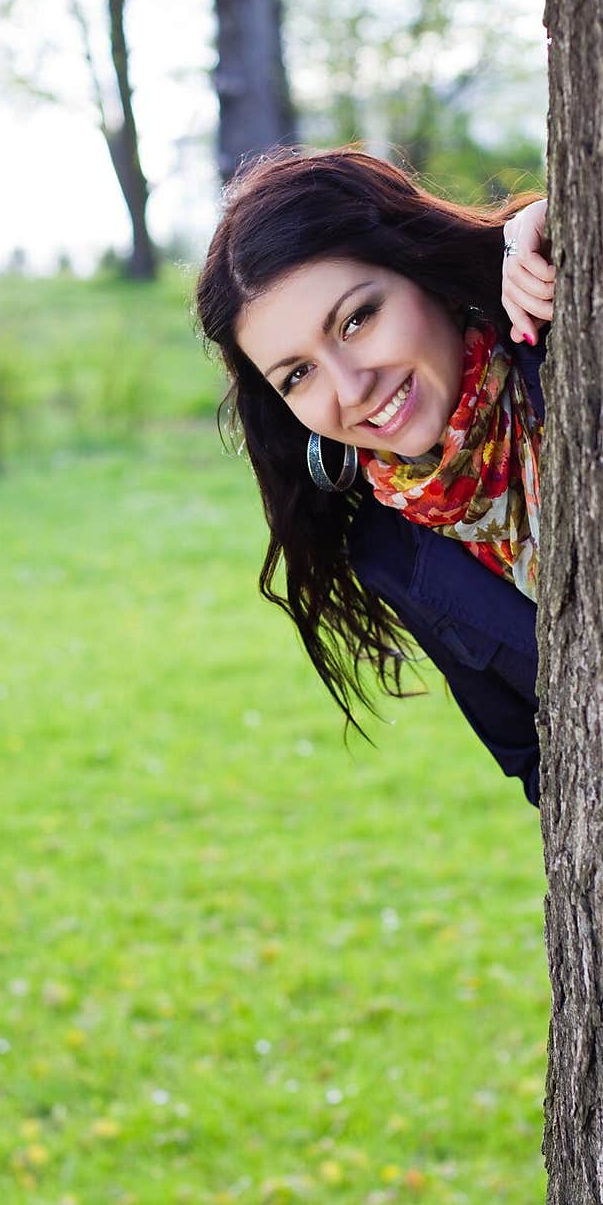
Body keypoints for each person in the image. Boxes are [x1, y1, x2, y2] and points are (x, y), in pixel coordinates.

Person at [196, 147, 555, 806]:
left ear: (419, 269)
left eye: (358, 319)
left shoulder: (572, 347)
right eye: (298, 374)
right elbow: (540, 760)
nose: (352, 387)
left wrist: (554, 224)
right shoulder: (390, 553)